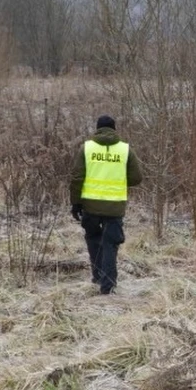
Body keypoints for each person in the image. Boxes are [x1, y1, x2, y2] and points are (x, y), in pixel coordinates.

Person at [70, 115, 143, 294]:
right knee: (110, 244)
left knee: (93, 239)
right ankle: (108, 285)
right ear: (114, 129)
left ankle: (97, 276)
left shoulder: (86, 148)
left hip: (91, 205)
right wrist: (118, 180)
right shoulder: (125, 150)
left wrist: (75, 203)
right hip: (115, 207)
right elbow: (136, 178)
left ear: (97, 129)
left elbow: (77, 177)